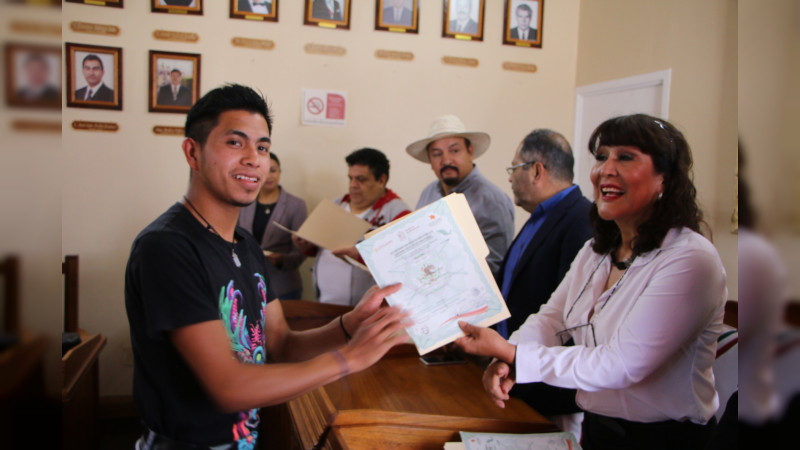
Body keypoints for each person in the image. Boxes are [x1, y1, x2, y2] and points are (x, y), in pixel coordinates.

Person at [125, 84, 410, 449]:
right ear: (192, 152)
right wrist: (348, 359)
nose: (254, 159)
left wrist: (349, 325)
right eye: (235, 142)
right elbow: (228, 386)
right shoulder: (167, 246)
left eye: (262, 147)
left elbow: (280, 346)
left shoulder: (245, 246)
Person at [455, 114, 727, 449]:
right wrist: (509, 359)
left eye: (625, 157)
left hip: (666, 439)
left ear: (665, 178)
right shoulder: (595, 251)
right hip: (600, 430)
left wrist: (516, 354)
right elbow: (551, 319)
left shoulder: (690, 259)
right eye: (601, 157)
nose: (605, 170)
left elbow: (621, 364)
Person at [495, 129, 592, 428]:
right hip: (517, 377)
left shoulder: (582, 221)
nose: (510, 178)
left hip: (550, 392)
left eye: (514, 168)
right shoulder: (539, 217)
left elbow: (570, 316)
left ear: (536, 170)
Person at [293, 148, 411, 306]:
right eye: (351, 178)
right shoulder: (337, 203)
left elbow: (402, 263)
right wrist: (304, 245)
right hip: (325, 302)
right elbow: (316, 249)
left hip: (367, 308)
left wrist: (359, 256)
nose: (353, 185)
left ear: (381, 180)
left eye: (361, 179)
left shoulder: (398, 213)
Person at [407, 114, 514, 276]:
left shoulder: (492, 200)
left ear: (470, 152)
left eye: (454, 151)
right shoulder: (428, 192)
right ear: (430, 161)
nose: (446, 160)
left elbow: (495, 265)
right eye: (437, 154)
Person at [238, 152, 308, 300]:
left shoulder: (296, 205)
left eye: (273, 170)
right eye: (264, 170)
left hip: (283, 286)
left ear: (280, 172)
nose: (269, 176)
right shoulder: (243, 201)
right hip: (247, 284)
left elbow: (303, 250)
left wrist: (282, 260)